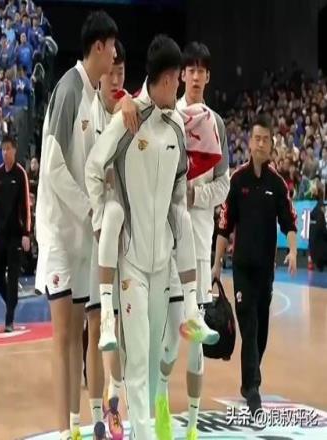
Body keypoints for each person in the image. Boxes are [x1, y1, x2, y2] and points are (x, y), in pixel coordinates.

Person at [86, 34, 198, 440]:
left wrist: (177, 224)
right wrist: (103, 220)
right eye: (179, 79)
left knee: (152, 357)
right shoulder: (127, 120)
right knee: (136, 357)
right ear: (168, 79)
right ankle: (144, 435)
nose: (180, 86)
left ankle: (142, 430)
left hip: (161, 261)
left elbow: (179, 187)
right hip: (131, 261)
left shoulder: (177, 126)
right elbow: (94, 167)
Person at [35, 10, 118, 440]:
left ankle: (76, 426)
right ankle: (62, 429)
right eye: (112, 47)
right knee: (64, 337)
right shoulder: (69, 90)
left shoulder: (92, 98)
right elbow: (52, 168)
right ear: (98, 47)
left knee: (81, 334)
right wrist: (91, 210)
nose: (116, 56)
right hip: (60, 234)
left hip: (82, 235)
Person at [155, 42, 229, 440]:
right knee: (170, 338)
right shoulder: (169, 116)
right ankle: (162, 404)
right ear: (182, 75)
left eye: (203, 70)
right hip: (167, 244)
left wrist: (194, 195)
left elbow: (224, 184)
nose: (197, 76)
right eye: (191, 69)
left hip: (199, 244)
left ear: (209, 76)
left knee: (197, 339)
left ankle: (195, 424)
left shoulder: (216, 124)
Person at [212, 115, 297, 416]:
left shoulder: (278, 184)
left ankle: (249, 380)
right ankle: (253, 390)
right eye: (256, 138)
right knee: (248, 323)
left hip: (266, 272)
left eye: (265, 139)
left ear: (271, 144)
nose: (260, 144)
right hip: (242, 269)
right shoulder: (237, 181)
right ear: (250, 142)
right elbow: (225, 225)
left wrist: (293, 251)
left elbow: (289, 221)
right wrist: (216, 264)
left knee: (260, 332)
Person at [85, 39, 127, 440]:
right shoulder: (89, 112)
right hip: (94, 234)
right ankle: (96, 414)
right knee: (97, 325)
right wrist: (98, 221)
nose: (116, 79)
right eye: (111, 72)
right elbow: (89, 173)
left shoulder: (132, 111)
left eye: (121, 72)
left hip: (127, 238)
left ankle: (114, 404)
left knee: (121, 330)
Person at [0, 135, 31, 332]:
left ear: (14, 150)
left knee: (12, 278)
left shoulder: (20, 174)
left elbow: (26, 206)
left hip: (16, 235)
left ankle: (9, 319)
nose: (5, 152)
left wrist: (27, 233)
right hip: (1, 234)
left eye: (8, 148)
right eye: (3, 149)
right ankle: (12, 302)